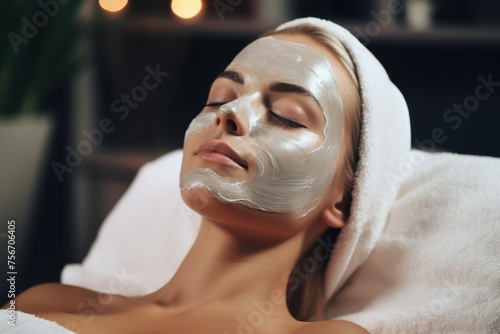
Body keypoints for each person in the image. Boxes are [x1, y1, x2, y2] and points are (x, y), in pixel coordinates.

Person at [4, 18, 370, 333]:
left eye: (287, 116)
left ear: (343, 197)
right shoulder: (45, 302)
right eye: (219, 97)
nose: (228, 113)